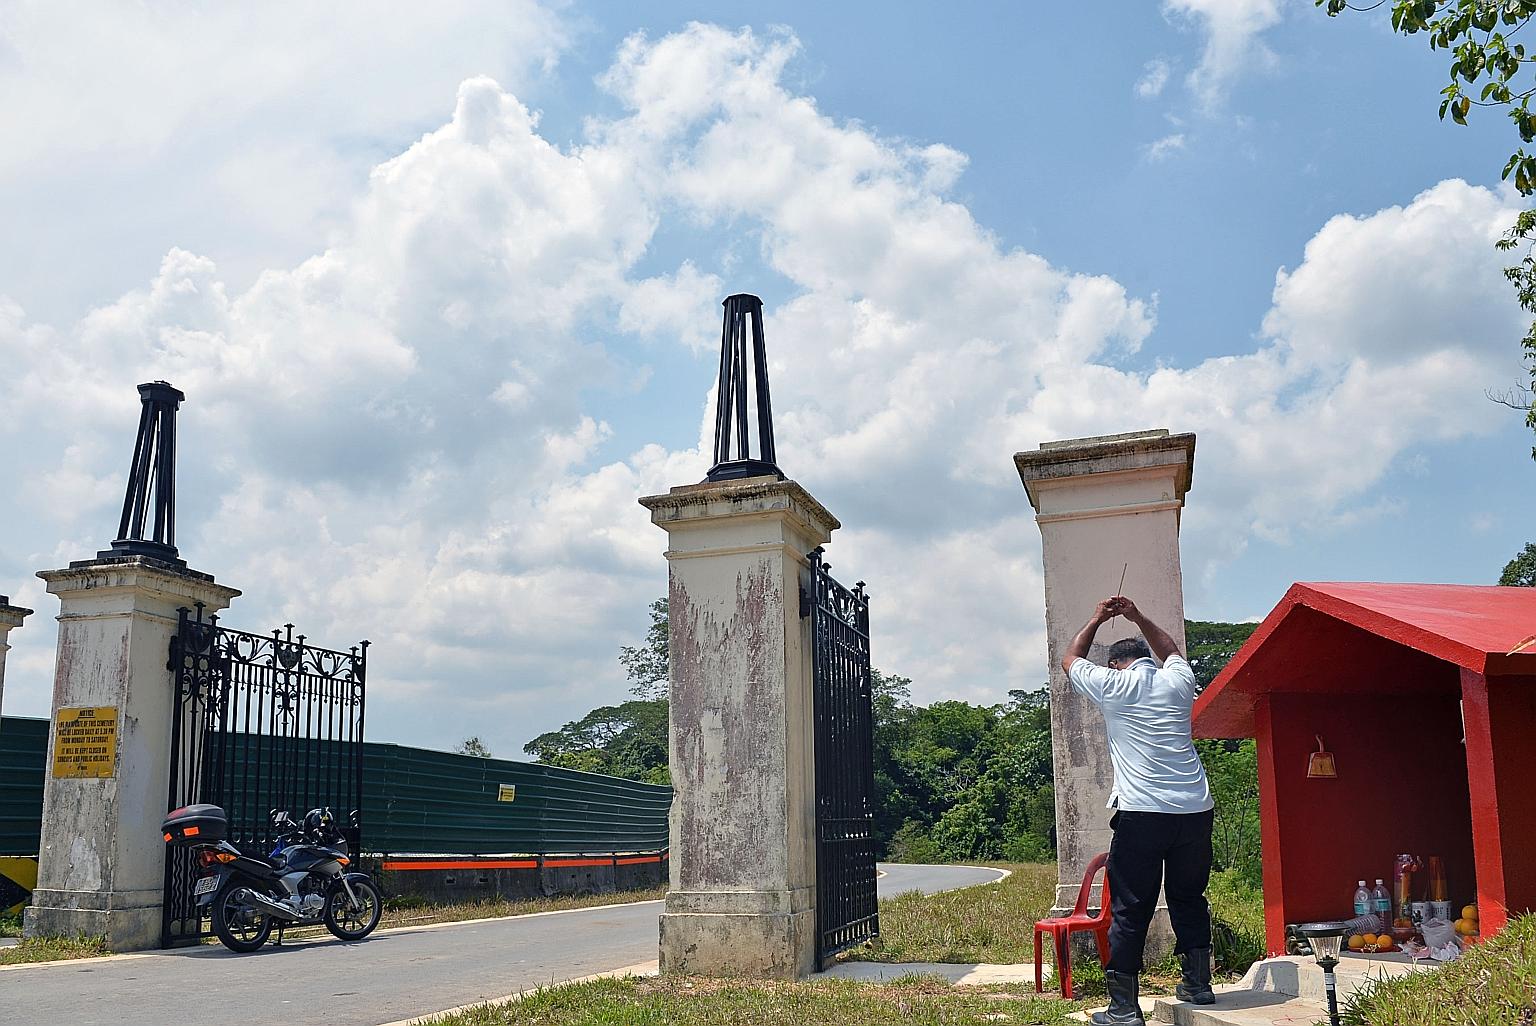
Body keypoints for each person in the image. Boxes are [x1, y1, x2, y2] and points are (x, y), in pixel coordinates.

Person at [1061, 595, 1215, 1026]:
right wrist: (1138, 615)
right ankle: (1198, 985)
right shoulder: (1177, 681)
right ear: (1146, 659)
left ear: (1114, 665)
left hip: (1143, 813)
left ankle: (1124, 1008)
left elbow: (1070, 658)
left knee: (1132, 906)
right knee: (1188, 896)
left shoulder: (1112, 686)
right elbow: (1172, 652)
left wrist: (1096, 617)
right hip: (1195, 810)